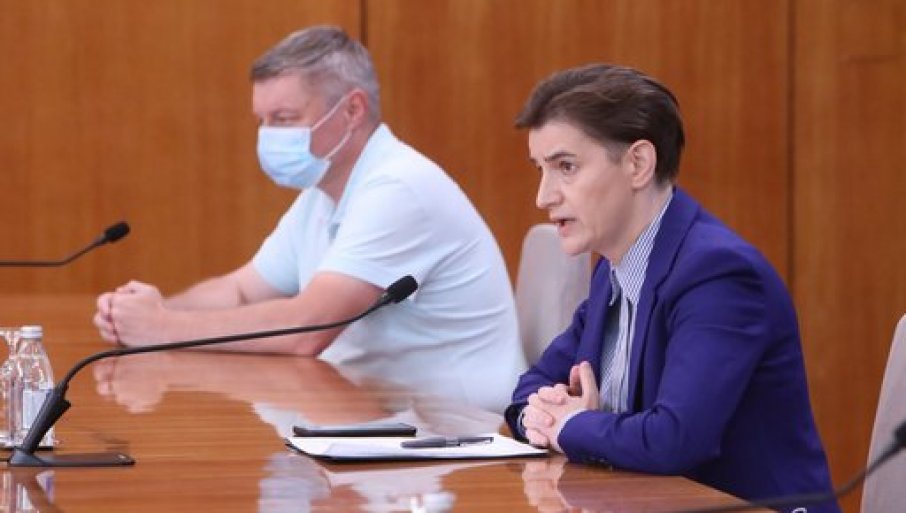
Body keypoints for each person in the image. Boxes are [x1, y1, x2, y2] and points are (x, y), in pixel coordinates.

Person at [92, 25, 525, 413]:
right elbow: (240, 290)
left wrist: (162, 327)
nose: (268, 136)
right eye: (262, 121)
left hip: (455, 434)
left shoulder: (399, 188)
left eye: (284, 119)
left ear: (352, 110)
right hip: (374, 413)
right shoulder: (322, 193)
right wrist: (144, 313)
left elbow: (309, 328)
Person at [505, 63, 840, 512]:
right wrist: (541, 413)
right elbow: (533, 384)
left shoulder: (717, 275)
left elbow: (675, 439)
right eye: (540, 169)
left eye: (566, 167)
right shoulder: (613, 269)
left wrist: (571, 426)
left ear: (638, 164)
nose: (543, 196)